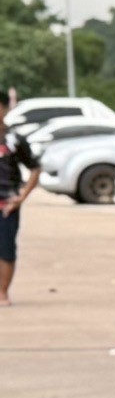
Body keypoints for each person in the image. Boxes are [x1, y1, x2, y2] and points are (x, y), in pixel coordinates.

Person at [0, 122, 32, 305]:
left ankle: (3, 293)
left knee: (6, 249)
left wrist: (21, 197)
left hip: (6, 205)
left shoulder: (14, 140)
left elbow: (35, 169)